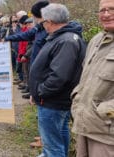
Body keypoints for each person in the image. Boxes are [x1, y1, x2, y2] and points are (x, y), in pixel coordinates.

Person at [29, 3, 86, 157]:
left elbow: (59, 76)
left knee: (52, 146)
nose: (43, 26)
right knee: (60, 136)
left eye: (43, 22)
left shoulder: (66, 41)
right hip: (56, 101)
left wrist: (39, 92)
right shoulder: (63, 37)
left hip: (52, 102)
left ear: (50, 21)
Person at [71, 0, 114, 156]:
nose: (106, 14)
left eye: (111, 9)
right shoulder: (96, 40)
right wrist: (77, 98)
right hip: (85, 126)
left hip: (108, 136)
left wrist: (104, 111)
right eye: (102, 10)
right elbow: (86, 78)